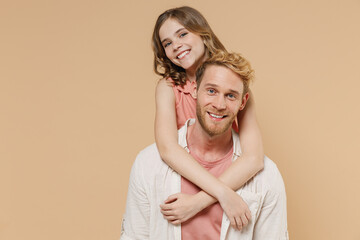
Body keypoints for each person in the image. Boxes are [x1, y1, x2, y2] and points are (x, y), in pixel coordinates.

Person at [120, 52, 289, 239]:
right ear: (194, 90)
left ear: (243, 102)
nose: (219, 104)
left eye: (231, 96)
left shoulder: (266, 177)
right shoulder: (149, 164)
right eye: (211, 91)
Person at [152, 6, 264, 230]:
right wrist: (222, 193)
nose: (176, 46)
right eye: (167, 43)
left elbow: (254, 158)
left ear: (203, 33)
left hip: (229, 176)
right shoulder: (167, 87)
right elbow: (167, 149)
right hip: (185, 177)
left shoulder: (234, 80)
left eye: (182, 34)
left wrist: (198, 203)